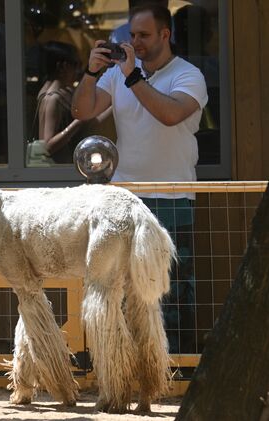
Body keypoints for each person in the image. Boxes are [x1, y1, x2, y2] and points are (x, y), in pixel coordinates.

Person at [72, 3, 208, 353]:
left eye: (144, 36)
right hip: (126, 196)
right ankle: (128, 363)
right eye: (131, 36)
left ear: (166, 34)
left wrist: (133, 77)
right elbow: (83, 111)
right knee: (122, 286)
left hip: (173, 195)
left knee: (172, 288)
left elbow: (170, 113)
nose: (136, 43)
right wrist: (90, 73)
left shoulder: (188, 75)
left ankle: (175, 365)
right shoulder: (119, 74)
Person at [35, 41, 88, 164]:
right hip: (58, 170)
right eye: (76, 64)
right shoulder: (54, 98)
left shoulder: (48, 91)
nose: (78, 71)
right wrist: (80, 120)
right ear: (63, 66)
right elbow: (47, 145)